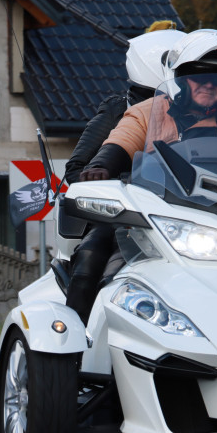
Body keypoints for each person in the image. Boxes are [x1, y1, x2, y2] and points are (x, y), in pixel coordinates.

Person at [61, 21, 184, 324]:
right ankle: (73, 343)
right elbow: (77, 168)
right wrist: (113, 186)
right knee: (91, 255)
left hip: (185, 214)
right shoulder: (120, 110)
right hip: (125, 216)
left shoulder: (195, 112)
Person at [80, 29, 217, 182]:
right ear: (181, 79)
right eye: (200, 76)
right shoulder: (147, 113)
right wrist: (101, 166)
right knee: (104, 233)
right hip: (158, 214)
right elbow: (122, 143)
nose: (209, 84)